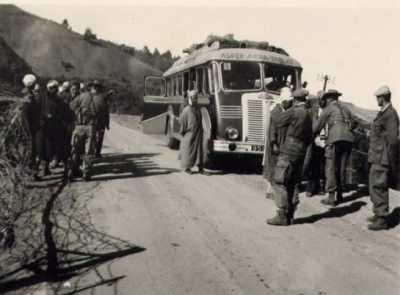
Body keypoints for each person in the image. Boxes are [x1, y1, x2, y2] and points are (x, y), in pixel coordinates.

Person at [267, 88, 313, 226]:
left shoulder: (294, 111)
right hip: (301, 149)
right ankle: (291, 214)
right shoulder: (309, 113)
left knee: (280, 180)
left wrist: (274, 109)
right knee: (293, 182)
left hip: (289, 148)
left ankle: (282, 214)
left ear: (295, 99)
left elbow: (279, 120)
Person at [313, 89, 354, 206]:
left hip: (334, 139)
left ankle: (331, 197)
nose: (324, 101)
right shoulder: (346, 108)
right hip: (348, 139)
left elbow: (317, 127)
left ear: (329, 98)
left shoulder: (328, 108)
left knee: (330, 167)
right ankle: (340, 195)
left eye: (325, 98)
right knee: (342, 167)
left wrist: (311, 134)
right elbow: (354, 122)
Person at [367, 85, 399, 230]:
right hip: (377, 154)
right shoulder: (383, 113)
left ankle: (382, 219)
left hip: (382, 156)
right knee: (374, 185)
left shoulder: (390, 114)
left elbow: (393, 139)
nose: (377, 100)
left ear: (383, 98)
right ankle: (378, 213)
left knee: (379, 186)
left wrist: (390, 158)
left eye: (378, 98)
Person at [263, 92, 292, 199]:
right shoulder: (276, 112)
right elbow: (272, 130)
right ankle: (270, 191)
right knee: (273, 167)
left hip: (282, 142)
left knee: (278, 167)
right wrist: (274, 143)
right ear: (283, 101)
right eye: (289, 101)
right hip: (275, 142)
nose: (290, 103)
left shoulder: (285, 111)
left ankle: (274, 190)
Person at [69, 82, 98, 181]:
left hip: (79, 126)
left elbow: (71, 107)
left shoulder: (81, 97)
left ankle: (71, 171)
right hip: (91, 127)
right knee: (89, 151)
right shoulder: (99, 98)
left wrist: (78, 111)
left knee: (75, 149)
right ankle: (86, 173)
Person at [179, 90, 209, 175]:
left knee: (201, 150)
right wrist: (184, 132)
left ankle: (201, 168)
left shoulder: (199, 109)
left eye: (196, 97)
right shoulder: (186, 110)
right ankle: (187, 168)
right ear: (190, 98)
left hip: (199, 133)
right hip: (189, 134)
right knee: (188, 150)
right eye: (193, 97)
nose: (194, 99)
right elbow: (183, 123)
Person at [305, 91, 327, 197]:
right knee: (312, 163)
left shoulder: (328, 111)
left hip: (326, 140)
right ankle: (310, 187)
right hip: (314, 139)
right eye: (320, 99)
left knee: (323, 164)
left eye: (324, 99)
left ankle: (321, 187)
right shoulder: (313, 110)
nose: (322, 101)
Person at [22, 74, 41, 177]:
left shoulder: (25, 95)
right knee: (32, 150)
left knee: (30, 150)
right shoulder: (29, 98)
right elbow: (26, 115)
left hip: (29, 127)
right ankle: (32, 173)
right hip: (30, 128)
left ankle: (30, 172)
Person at [90, 80, 111, 158]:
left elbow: (106, 112)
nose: (96, 88)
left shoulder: (102, 98)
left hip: (99, 122)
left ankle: (97, 153)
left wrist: (107, 123)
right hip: (93, 121)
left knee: (99, 137)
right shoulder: (90, 96)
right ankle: (94, 152)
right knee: (93, 137)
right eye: (95, 87)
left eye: (97, 87)